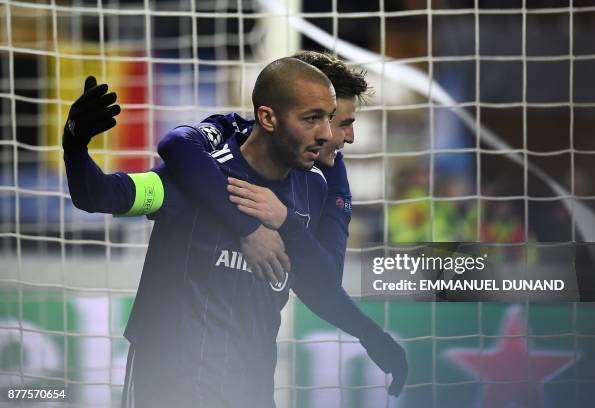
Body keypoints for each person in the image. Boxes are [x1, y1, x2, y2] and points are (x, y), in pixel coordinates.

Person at [63, 58, 407, 407]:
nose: (331, 134)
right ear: (269, 118)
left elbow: (321, 283)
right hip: (170, 384)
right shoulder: (196, 176)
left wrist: (370, 334)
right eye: (314, 118)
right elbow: (99, 194)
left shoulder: (313, 190)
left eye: (328, 118)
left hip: (250, 387)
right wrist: (75, 146)